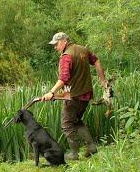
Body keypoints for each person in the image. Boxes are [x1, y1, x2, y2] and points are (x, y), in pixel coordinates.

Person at [41, 32, 107, 160]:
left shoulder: (66, 56)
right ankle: (91, 147)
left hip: (74, 96)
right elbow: (97, 61)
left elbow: (64, 78)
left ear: (64, 41)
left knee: (66, 124)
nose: (55, 47)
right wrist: (102, 80)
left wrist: (51, 92)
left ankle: (74, 154)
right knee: (76, 120)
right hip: (86, 94)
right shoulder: (83, 50)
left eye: (56, 44)